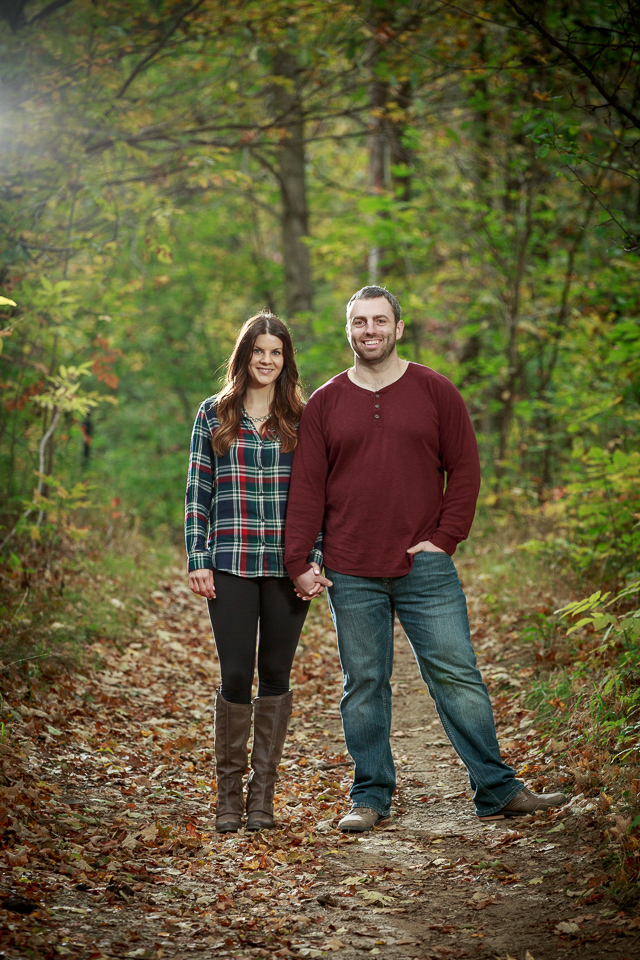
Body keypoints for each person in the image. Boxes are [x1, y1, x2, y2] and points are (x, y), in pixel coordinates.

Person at [284, 285, 566, 832]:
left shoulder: (435, 391)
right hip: (349, 567)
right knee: (364, 684)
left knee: (457, 675)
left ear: (398, 327)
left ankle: (498, 789)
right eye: (359, 321)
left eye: (379, 320)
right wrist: (300, 559)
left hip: (425, 566)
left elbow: (464, 468)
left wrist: (446, 536)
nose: (370, 330)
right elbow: (307, 488)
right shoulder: (324, 403)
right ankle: (369, 796)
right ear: (349, 330)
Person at [185, 312, 322, 833]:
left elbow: (320, 499)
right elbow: (198, 492)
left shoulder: (303, 419)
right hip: (232, 562)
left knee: (277, 676)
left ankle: (261, 799)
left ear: (286, 361)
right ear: (243, 356)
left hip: (288, 568)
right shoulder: (213, 414)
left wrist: (314, 560)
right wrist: (198, 559)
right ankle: (228, 799)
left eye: (277, 353)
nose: (267, 361)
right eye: (258, 351)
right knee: (236, 675)